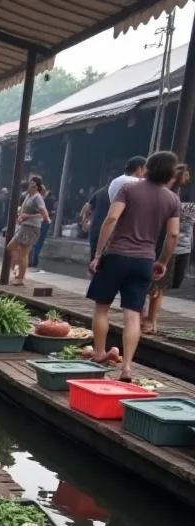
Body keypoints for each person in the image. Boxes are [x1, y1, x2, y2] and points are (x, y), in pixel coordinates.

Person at [88, 150, 181, 382]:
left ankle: (99, 353)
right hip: (144, 261)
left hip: (116, 256)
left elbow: (111, 219)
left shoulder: (128, 189)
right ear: (171, 174)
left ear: (147, 168)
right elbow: (173, 234)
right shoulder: (172, 199)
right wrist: (163, 261)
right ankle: (127, 367)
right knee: (133, 316)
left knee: (102, 308)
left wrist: (98, 253)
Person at [143, 164, 191, 334]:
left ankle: (151, 319)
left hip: (175, 244)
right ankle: (148, 319)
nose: (188, 178)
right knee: (155, 285)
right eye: (186, 174)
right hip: (161, 243)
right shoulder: (168, 195)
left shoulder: (180, 195)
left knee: (159, 286)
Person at [5, 176, 49, 286]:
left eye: (32, 185)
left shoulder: (37, 198)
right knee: (11, 247)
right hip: (24, 226)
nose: (29, 186)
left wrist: (27, 216)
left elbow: (44, 216)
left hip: (31, 228)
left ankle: (20, 278)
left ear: (35, 186)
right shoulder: (28, 196)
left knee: (24, 252)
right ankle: (17, 268)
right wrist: (21, 217)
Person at [29, 190, 54, 271]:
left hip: (37, 222)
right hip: (43, 222)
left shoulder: (35, 199)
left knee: (33, 242)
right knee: (38, 243)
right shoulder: (46, 201)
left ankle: (30, 261)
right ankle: (33, 261)